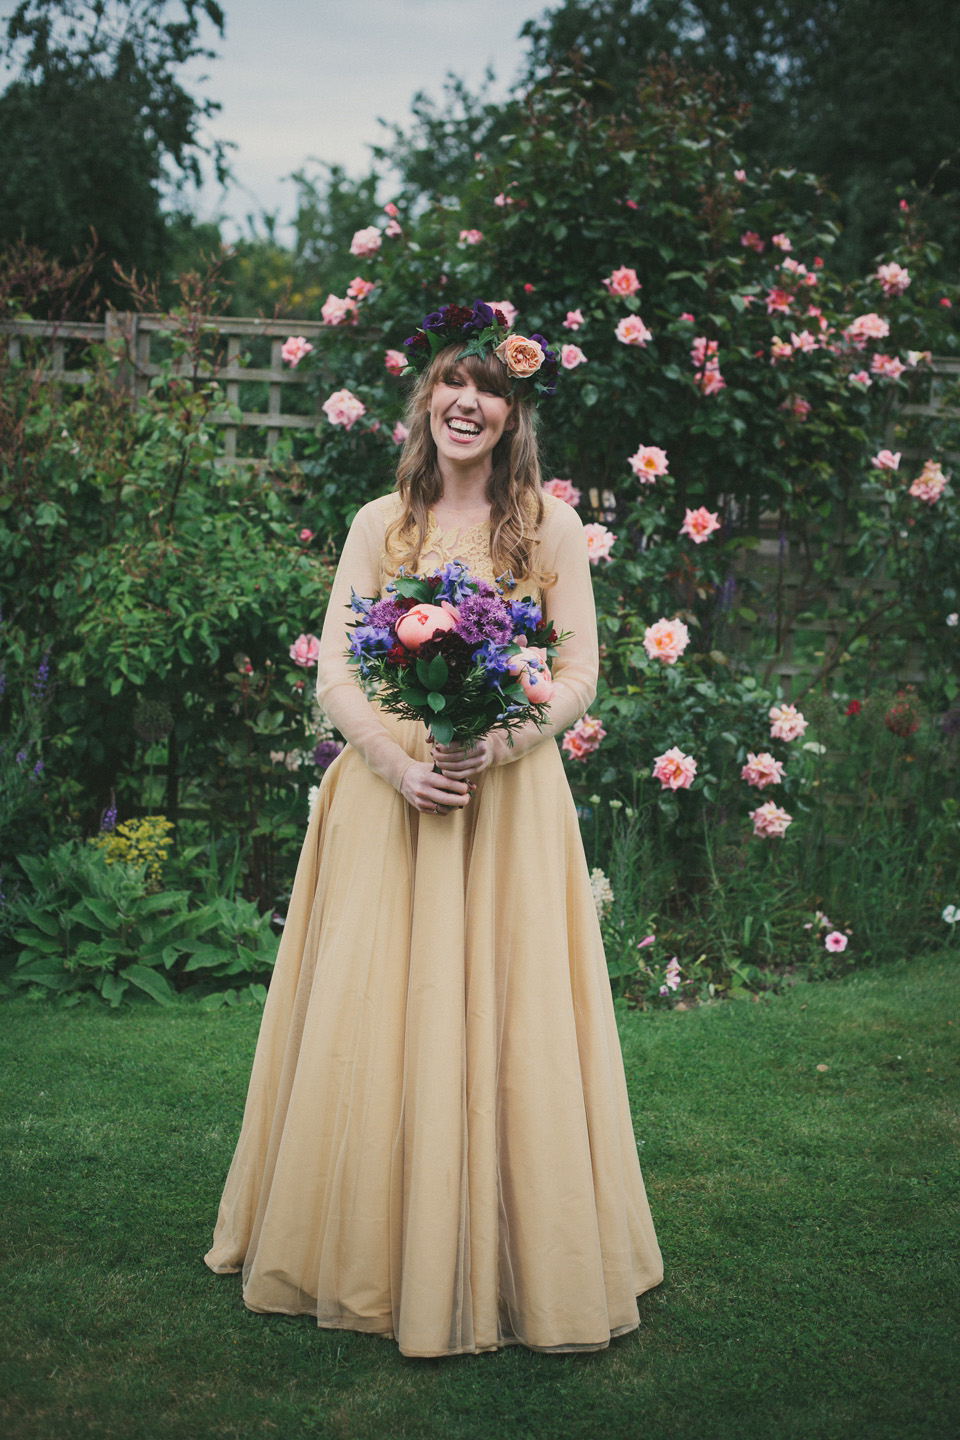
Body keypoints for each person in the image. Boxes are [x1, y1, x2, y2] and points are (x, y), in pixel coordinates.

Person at [204, 302, 664, 1357]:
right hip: (392, 798)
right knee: (377, 1015)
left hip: (505, 805)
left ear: (510, 413)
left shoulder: (543, 527)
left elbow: (582, 673)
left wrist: (499, 745)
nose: (469, 403)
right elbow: (333, 669)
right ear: (428, 404)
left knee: (510, 1018)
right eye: (453, 387)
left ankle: (519, 1256)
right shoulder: (382, 524)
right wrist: (398, 763)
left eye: (490, 390)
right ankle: (365, 1251)